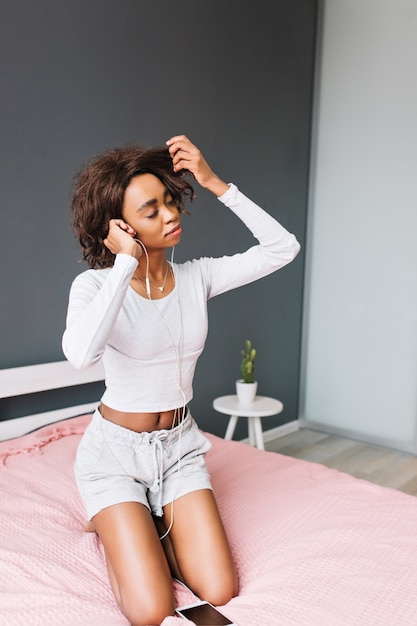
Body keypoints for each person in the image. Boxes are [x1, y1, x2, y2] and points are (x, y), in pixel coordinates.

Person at [62, 135, 300, 626]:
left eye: (170, 201)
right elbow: (81, 355)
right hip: (115, 457)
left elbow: (283, 248)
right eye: (151, 211)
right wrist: (125, 260)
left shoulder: (198, 277)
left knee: (219, 588)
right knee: (151, 610)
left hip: (180, 450)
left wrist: (215, 183)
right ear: (121, 226)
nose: (171, 214)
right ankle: (117, 523)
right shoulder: (94, 287)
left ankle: (141, 521)